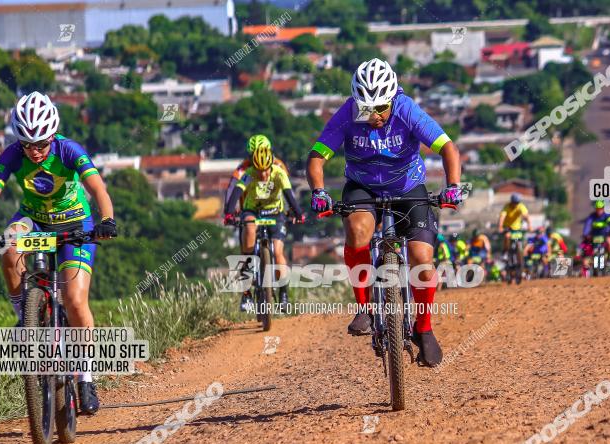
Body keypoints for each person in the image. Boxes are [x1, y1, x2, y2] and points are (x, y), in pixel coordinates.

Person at [0, 92, 116, 415]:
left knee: (74, 299)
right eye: (29, 145)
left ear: (53, 134)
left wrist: (107, 219)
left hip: (75, 223)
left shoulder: (69, 150)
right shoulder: (13, 154)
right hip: (35, 220)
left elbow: (97, 187)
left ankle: (85, 377)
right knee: (8, 247)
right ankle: (24, 315)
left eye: (42, 144)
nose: (36, 151)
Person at [306, 58, 462, 367]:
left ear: (391, 98)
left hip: (408, 187)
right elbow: (317, 156)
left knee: (421, 257)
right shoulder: (350, 112)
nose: (374, 116)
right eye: (367, 109)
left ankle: (424, 327)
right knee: (357, 231)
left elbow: (447, 148)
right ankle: (365, 308)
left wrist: (453, 186)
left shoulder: (406, 109)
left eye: (381, 108)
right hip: (363, 187)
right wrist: (318, 192)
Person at [225, 143, 304, 310]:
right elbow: (236, 193)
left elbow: (290, 196)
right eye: (259, 170)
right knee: (248, 240)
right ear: (254, 167)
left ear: (271, 166)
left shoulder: (279, 173)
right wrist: (229, 213)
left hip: (275, 212)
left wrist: (298, 213)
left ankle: (283, 293)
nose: (262, 174)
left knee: (277, 250)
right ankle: (246, 295)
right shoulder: (248, 174)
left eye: (266, 170)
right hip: (253, 211)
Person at [581, 200, 610, 268]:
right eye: (597, 208)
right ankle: (589, 262)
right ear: (595, 209)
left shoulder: (607, 216)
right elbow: (587, 225)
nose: (599, 210)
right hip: (594, 236)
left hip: (605, 236)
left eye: (600, 208)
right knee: (586, 247)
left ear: (603, 208)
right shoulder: (592, 217)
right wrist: (586, 234)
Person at [498, 193, 531, 259]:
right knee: (507, 236)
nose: (516, 204)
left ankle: (520, 257)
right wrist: (500, 226)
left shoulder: (520, 206)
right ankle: (506, 252)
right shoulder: (507, 206)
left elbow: (526, 216)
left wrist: (529, 226)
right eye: (514, 203)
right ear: (511, 202)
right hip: (507, 227)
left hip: (517, 228)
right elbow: (502, 217)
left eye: (517, 203)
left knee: (522, 239)